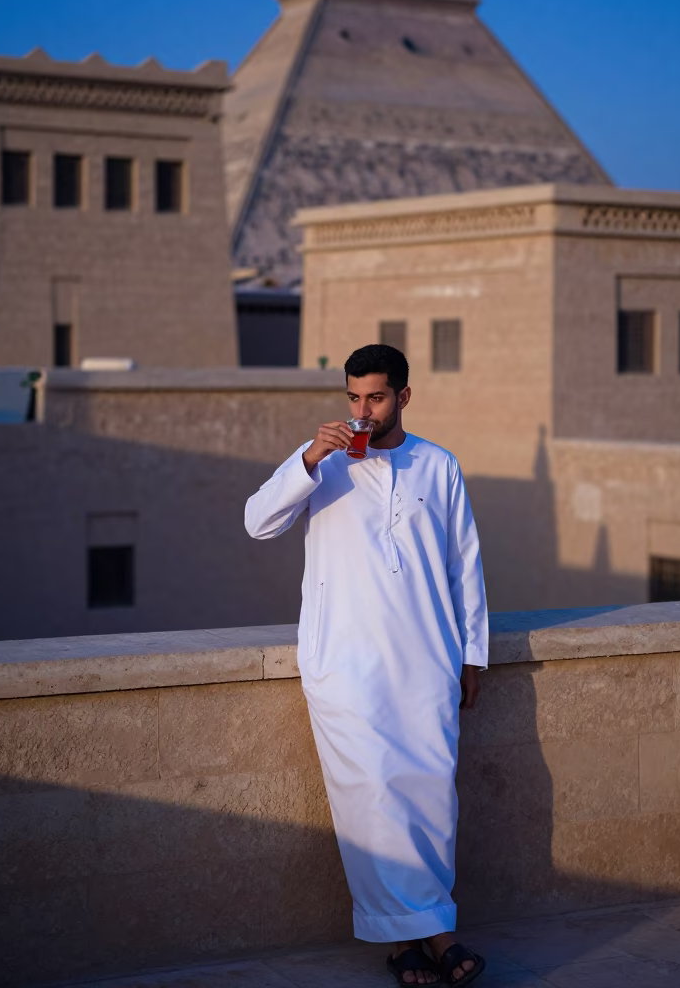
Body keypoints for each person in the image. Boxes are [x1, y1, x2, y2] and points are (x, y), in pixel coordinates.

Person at [245, 344, 488, 986]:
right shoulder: (321, 464)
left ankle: (422, 930)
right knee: (372, 799)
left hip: (426, 660)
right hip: (345, 663)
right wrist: (309, 459)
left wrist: (471, 654)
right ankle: (421, 937)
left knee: (430, 797)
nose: (363, 411)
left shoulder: (439, 465)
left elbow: (464, 565)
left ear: (403, 397)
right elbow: (257, 523)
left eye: (375, 398)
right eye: (354, 398)